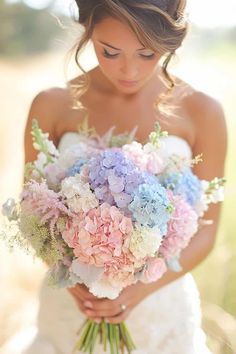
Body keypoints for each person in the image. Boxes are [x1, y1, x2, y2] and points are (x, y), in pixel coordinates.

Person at [23, 0, 227, 353]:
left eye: (147, 54)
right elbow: (32, 213)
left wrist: (138, 291)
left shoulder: (202, 111)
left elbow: (207, 229)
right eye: (110, 51)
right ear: (88, 32)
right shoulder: (51, 104)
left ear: (169, 42)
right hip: (70, 307)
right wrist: (72, 281)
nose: (129, 70)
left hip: (160, 306)